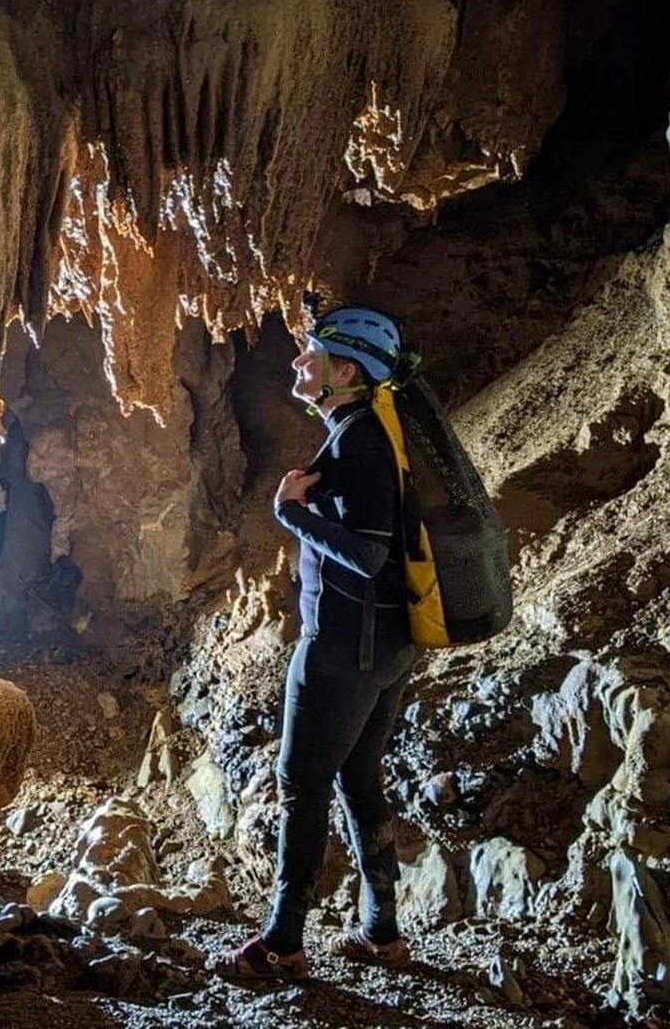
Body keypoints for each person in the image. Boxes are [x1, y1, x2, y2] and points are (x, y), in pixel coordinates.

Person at [220, 301, 421, 981]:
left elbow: (366, 554)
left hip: (345, 648)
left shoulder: (360, 439)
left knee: (301, 784)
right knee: (359, 777)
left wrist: (289, 514)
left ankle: (280, 944)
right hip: (386, 644)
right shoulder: (364, 431)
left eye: (312, 354)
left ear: (344, 370)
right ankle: (381, 931)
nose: (298, 362)